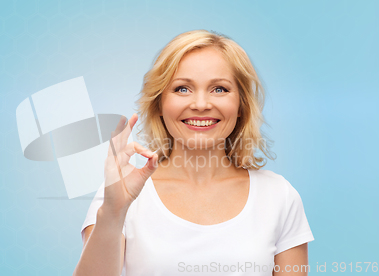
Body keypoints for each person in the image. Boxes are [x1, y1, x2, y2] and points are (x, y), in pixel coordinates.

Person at [73, 29, 314, 276]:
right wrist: (113, 213)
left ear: (241, 105)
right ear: (159, 105)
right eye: (182, 89)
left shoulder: (278, 196)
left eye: (219, 89)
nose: (200, 104)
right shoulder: (119, 193)